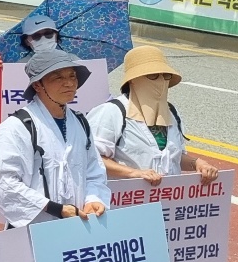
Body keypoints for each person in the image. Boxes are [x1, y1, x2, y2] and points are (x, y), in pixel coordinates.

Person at [0, 49, 111, 227]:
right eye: (58, 77)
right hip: (34, 228)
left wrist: (93, 198)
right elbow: (4, 183)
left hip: (79, 224)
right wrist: (55, 209)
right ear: (38, 85)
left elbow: (94, 170)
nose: (69, 83)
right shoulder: (17, 126)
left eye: (72, 76)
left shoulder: (81, 123)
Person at [89, 46, 218, 185]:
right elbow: (92, 158)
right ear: (133, 79)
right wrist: (134, 173)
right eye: (153, 76)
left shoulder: (171, 113)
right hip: (126, 200)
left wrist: (197, 163)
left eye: (165, 75)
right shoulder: (111, 112)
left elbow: (174, 157)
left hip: (166, 199)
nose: (161, 81)